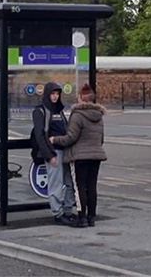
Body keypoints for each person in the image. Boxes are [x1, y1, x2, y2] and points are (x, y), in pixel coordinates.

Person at [50, 83, 106, 228]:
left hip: (79, 157)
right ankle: (91, 217)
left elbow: (71, 138)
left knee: (79, 187)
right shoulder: (99, 116)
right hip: (96, 155)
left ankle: (82, 217)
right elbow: (101, 138)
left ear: (81, 98)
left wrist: (54, 139)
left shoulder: (77, 115)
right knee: (91, 186)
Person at [32, 82, 76, 225]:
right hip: (54, 152)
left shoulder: (59, 111)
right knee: (56, 184)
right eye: (53, 94)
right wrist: (49, 155)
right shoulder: (40, 111)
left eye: (57, 94)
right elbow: (40, 135)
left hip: (65, 150)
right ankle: (58, 213)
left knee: (69, 183)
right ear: (47, 94)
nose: (55, 97)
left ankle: (68, 210)